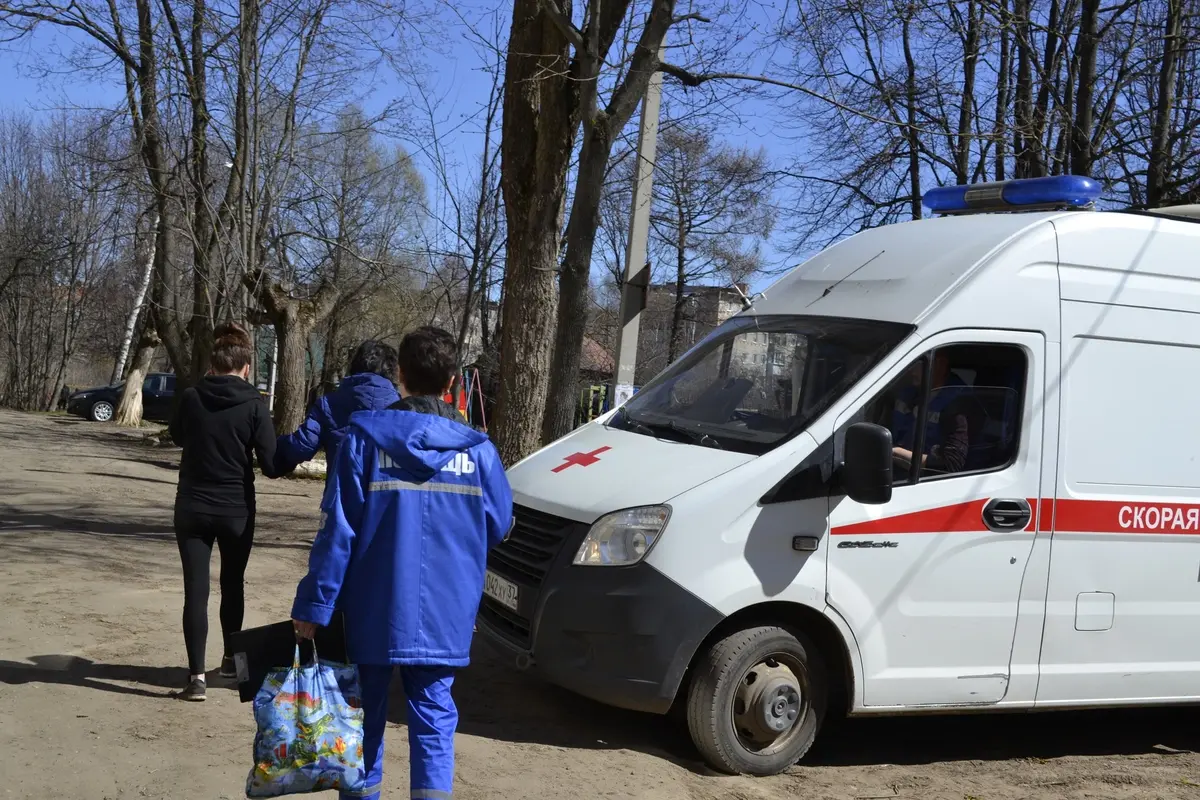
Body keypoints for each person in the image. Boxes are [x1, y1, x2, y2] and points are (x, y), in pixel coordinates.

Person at [290, 325, 513, 800]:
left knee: (360, 720)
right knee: (434, 722)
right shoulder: (479, 452)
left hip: (371, 609)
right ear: (452, 381)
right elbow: (497, 526)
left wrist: (313, 605)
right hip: (446, 613)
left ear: (401, 377)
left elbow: (338, 533)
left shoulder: (360, 442)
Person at [168, 322, 281, 701]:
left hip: (192, 506)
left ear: (212, 365)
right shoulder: (254, 404)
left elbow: (178, 436)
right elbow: (270, 462)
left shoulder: (191, 397)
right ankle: (231, 662)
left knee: (195, 591)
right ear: (246, 367)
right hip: (236, 509)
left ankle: (196, 678)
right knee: (232, 585)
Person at [274, 340, 401, 482]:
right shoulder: (405, 410)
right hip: (388, 500)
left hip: (341, 499)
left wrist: (272, 444)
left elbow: (301, 445)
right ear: (393, 371)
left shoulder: (329, 404)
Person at [891, 351, 970, 474]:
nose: (911, 370)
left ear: (941, 364)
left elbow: (951, 465)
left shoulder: (958, 403)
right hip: (896, 474)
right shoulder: (908, 392)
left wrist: (893, 453)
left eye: (918, 362)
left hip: (929, 484)